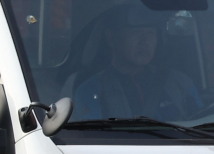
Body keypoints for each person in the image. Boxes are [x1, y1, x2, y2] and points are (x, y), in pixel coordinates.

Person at [74, 6, 202, 121]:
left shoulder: (180, 84)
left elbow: (202, 125)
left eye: (150, 33)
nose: (144, 41)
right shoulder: (91, 91)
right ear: (112, 39)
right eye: (136, 32)